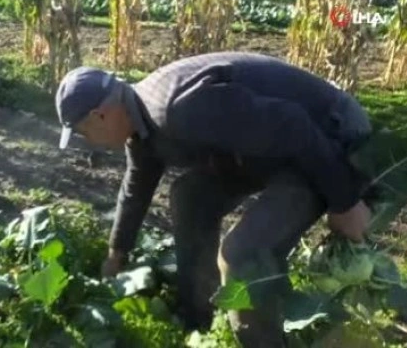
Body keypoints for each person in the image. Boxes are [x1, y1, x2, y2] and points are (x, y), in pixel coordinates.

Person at [54, 51, 374, 348]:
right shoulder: (141, 123)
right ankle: (199, 316)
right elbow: (136, 186)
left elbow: (293, 124)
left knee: (240, 254)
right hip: (273, 149)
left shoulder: (177, 110)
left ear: (100, 115)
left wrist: (344, 202)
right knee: (189, 197)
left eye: (83, 132)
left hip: (330, 132)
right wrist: (116, 253)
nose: (89, 142)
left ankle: (261, 341)